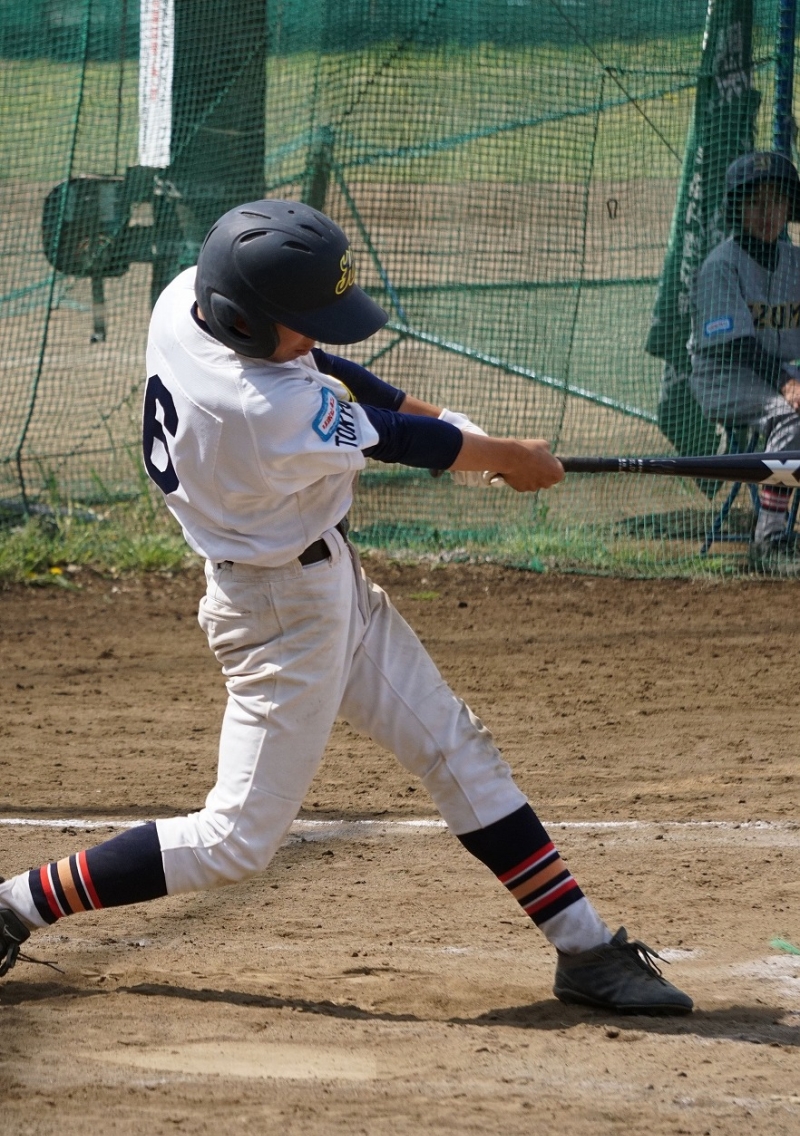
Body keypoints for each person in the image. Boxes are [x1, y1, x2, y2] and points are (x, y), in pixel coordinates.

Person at [0, 200, 692, 1015]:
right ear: (244, 319)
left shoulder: (188, 299)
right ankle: (14, 904)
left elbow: (331, 370)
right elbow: (392, 438)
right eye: (299, 323)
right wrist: (506, 455)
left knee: (456, 749)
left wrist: (456, 428)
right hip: (279, 615)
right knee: (235, 840)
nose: (312, 337)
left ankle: (585, 949)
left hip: (322, 582)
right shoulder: (260, 411)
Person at [690, 151, 800, 571]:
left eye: (777, 201)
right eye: (755, 202)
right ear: (736, 209)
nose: (767, 213)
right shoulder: (721, 266)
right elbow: (738, 346)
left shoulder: (795, 262)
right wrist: (788, 385)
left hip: (778, 373)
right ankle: (770, 540)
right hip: (724, 377)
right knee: (792, 416)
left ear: (789, 207)